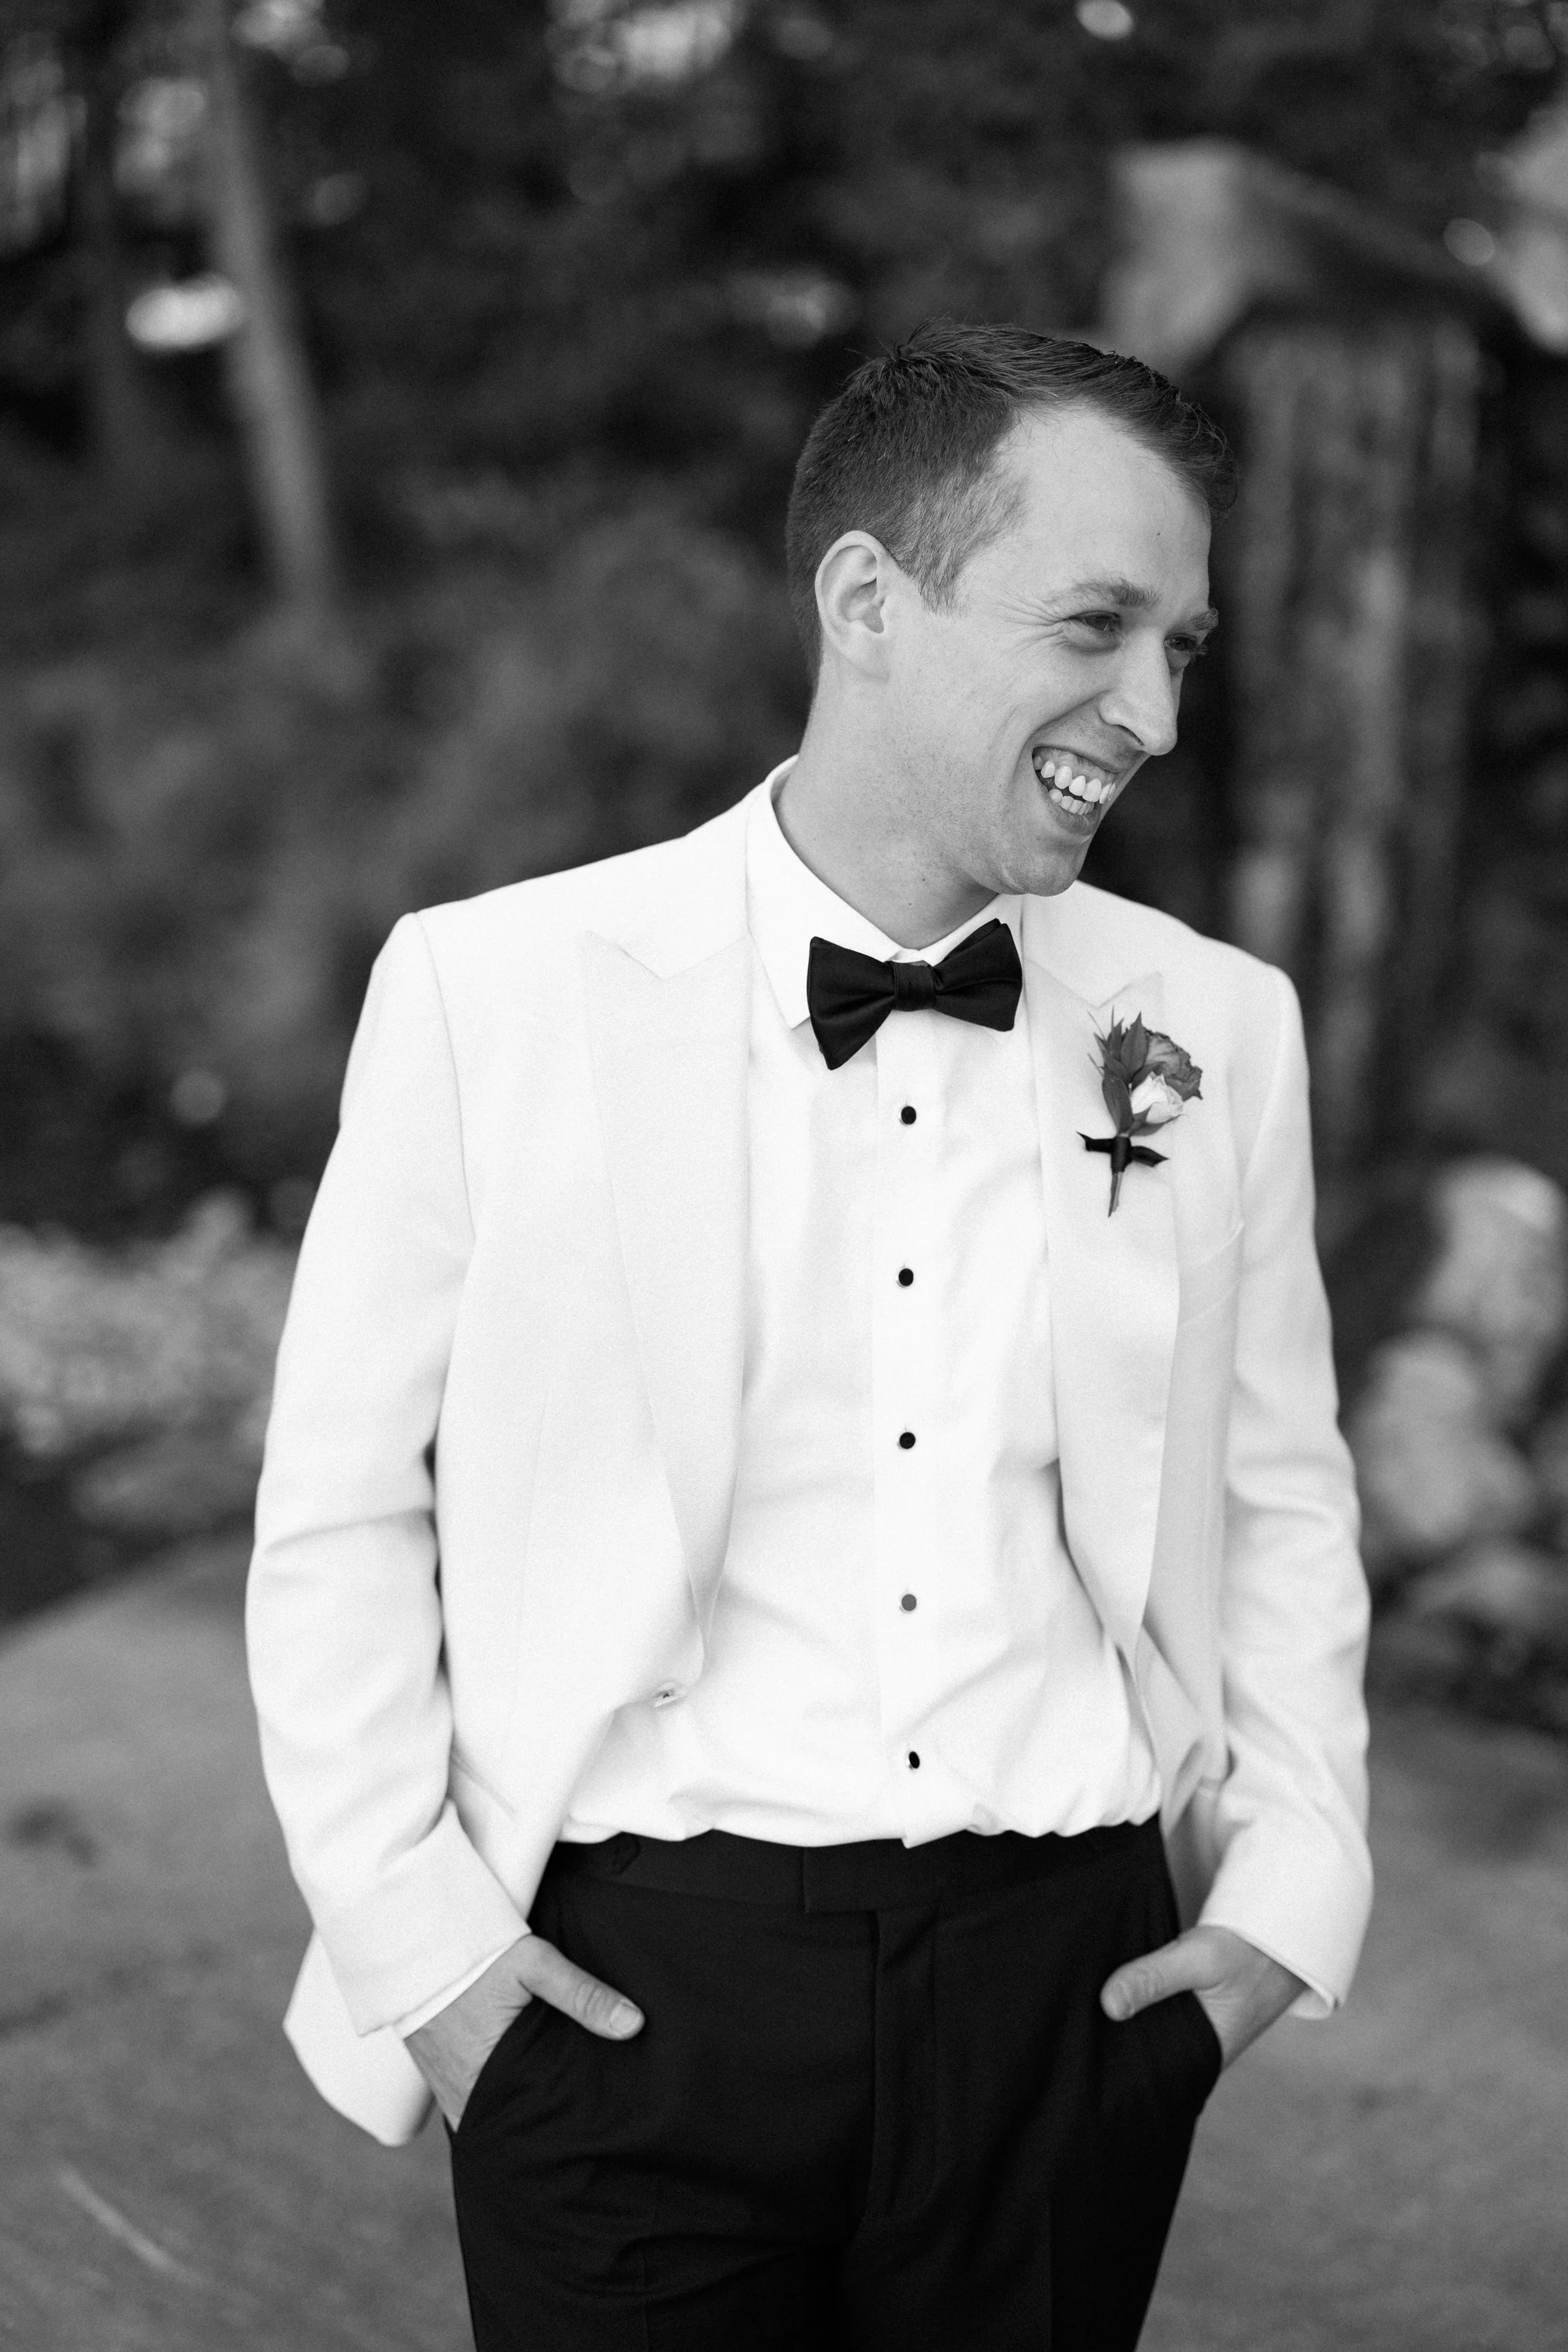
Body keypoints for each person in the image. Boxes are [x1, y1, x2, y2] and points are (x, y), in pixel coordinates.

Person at [247, 321, 1371, 2351]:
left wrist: (1290, 1899)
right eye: (1098, 626)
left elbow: (1275, 1494)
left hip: (1072, 1995)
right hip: (622, 2004)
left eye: (1183, 650)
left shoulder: (1217, 1025)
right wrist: (431, 1967)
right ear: (869, 600)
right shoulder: (490, 993)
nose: (1155, 715)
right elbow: (338, 1518)